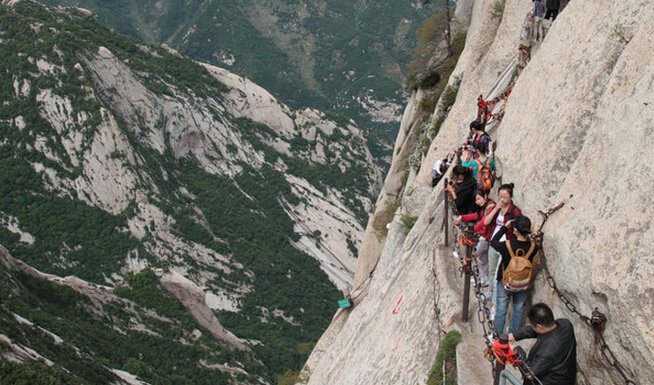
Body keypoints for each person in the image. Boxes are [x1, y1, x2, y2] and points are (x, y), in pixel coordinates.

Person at [503, 303, 577, 385]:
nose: (531, 327)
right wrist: (514, 336)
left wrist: (516, 351)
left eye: (533, 325)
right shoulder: (565, 325)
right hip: (566, 376)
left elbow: (529, 372)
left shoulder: (548, 350)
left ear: (539, 326)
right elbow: (535, 330)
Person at [491, 215, 538, 334]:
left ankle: (497, 335)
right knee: (519, 308)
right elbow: (533, 245)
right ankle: (514, 334)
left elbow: (493, 242)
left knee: (501, 310)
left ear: (515, 230)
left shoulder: (507, 245)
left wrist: (504, 228)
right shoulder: (533, 247)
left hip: (506, 280)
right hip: (523, 282)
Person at [484, 183, 522, 315]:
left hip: (506, 246)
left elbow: (518, 230)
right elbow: (486, 222)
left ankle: (494, 305)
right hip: (494, 242)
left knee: (498, 277)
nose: (502, 200)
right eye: (500, 196)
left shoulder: (515, 211)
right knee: (492, 270)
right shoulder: (497, 208)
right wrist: (496, 209)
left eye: (505, 197)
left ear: (511, 197)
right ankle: (489, 291)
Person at [453, 189, 496, 288]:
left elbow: (484, 220)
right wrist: (462, 217)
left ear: (485, 196)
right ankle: (483, 278)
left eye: (479, 199)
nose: (478, 202)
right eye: (476, 200)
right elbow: (478, 216)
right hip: (486, 235)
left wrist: (473, 229)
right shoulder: (485, 206)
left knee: (476, 255)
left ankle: (482, 278)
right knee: (482, 258)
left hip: (487, 235)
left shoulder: (490, 206)